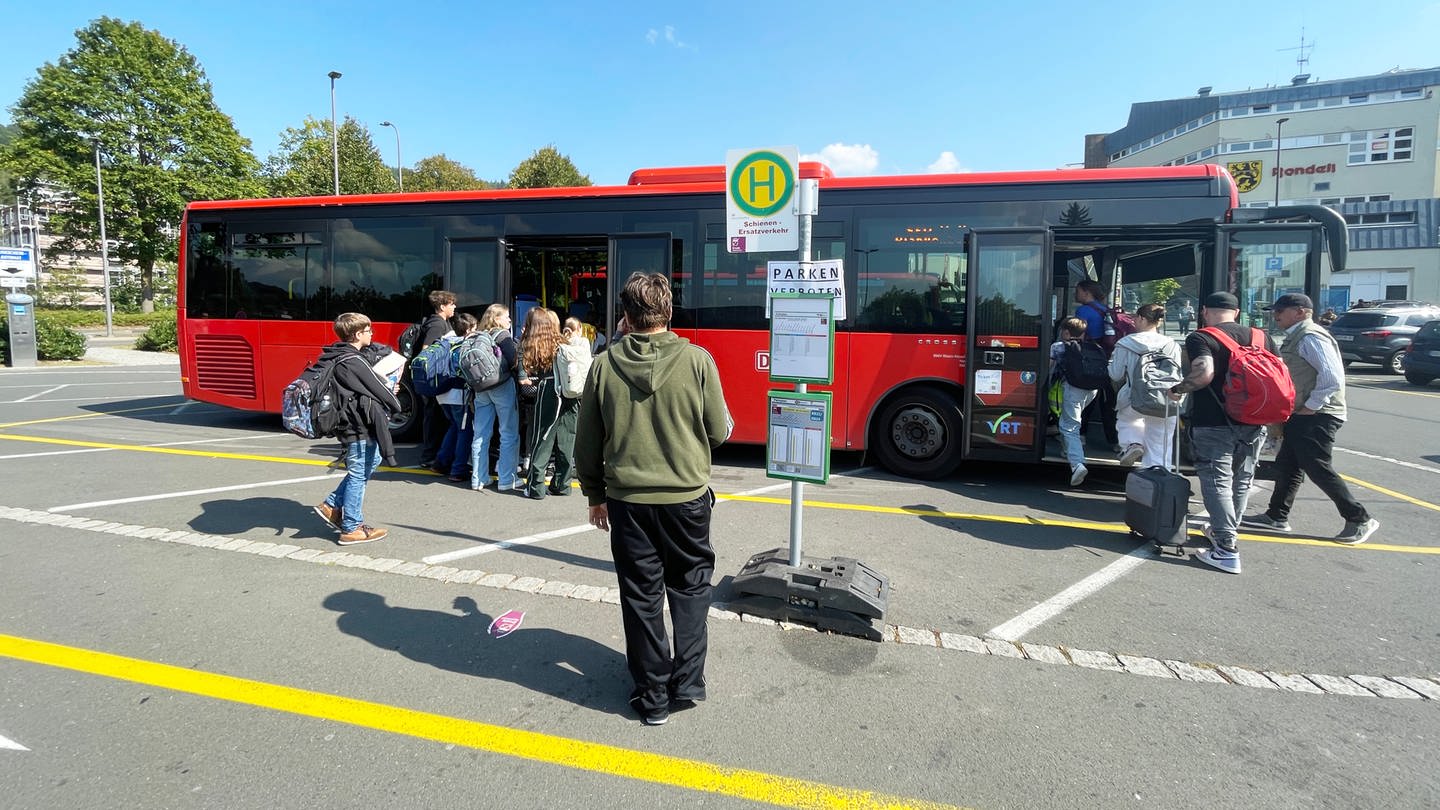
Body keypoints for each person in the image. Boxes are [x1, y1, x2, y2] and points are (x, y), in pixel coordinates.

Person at [574, 272, 732, 726]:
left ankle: (652, 697)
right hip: (687, 498)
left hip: (628, 502)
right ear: (667, 311)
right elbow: (718, 431)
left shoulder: (603, 365)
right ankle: (688, 683)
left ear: (625, 316)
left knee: (641, 597)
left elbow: (587, 442)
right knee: (691, 588)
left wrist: (594, 494)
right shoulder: (698, 360)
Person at [1242, 293, 1379, 544]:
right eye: (1276, 310)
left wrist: (1312, 407)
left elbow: (1332, 377)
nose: (1277, 314)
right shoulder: (1298, 336)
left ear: (1301, 312)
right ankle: (1276, 516)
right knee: (1288, 465)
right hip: (1303, 412)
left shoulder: (1311, 336)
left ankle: (1359, 518)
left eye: (1282, 310)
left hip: (1318, 414)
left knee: (1317, 466)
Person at [1168, 292, 1274, 574]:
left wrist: (1177, 389)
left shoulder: (1202, 337)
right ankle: (1223, 532)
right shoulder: (1261, 337)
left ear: (1204, 311)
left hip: (1213, 421)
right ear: (1236, 312)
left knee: (1217, 481)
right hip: (1255, 420)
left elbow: (1203, 375)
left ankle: (1226, 549)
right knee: (1242, 480)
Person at [313, 312, 403, 545]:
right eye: (368, 330)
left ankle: (332, 505)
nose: (372, 333)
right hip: (356, 424)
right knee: (358, 474)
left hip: (351, 422)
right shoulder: (353, 361)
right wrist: (395, 403)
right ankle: (351, 527)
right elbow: (377, 388)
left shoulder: (341, 355)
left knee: (367, 465)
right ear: (357, 334)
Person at [1108, 303, 1181, 468]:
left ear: (1141, 318)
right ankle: (1157, 480)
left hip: (1134, 399)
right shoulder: (1171, 344)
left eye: (1135, 318)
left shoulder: (1126, 343)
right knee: (1160, 447)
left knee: (1126, 421)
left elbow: (1115, 374)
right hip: (1164, 400)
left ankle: (1133, 443)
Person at [517, 308, 578, 500]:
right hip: (571, 391)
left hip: (549, 391)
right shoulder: (562, 341)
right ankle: (562, 484)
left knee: (542, 439)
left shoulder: (531, 344)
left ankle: (535, 487)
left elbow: (523, 377)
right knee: (567, 439)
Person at [468, 303, 522, 492]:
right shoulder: (502, 335)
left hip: (481, 388)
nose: (509, 320)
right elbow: (514, 358)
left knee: (480, 433)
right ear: (496, 318)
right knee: (508, 433)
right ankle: (507, 479)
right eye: (506, 316)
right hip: (501, 385)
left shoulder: (478, 336)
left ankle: (478, 478)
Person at [1050, 317, 1098, 486]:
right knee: (1068, 420)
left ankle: (1077, 464)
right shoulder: (1092, 347)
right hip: (1091, 390)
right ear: (1083, 334)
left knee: (1069, 426)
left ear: (1066, 332)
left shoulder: (1058, 347)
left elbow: (1049, 368)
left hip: (1071, 389)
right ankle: (1066, 450)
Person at [1074, 280, 1120, 452]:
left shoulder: (1083, 311)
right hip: (1108, 359)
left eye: (1078, 291)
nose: (1075, 294)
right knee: (1108, 402)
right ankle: (1114, 440)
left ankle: (1081, 434)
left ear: (1087, 292)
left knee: (1086, 399)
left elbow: (1079, 335)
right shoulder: (1106, 310)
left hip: (1090, 358)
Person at [433, 312, 478, 482]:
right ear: (468, 329)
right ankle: (458, 469)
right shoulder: (464, 345)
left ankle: (441, 463)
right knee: (465, 431)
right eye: (475, 328)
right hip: (458, 395)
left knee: (454, 426)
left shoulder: (445, 341)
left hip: (442, 394)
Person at [416, 291, 457, 469]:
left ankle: (433, 453)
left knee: (437, 417)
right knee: (433, 417)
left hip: (436, 378)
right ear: (442, 306)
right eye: (451, 304)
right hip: (433, 379)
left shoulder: (443, 322)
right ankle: (428, 456)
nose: (454, 307)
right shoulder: (437, 325)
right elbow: (426, 350)